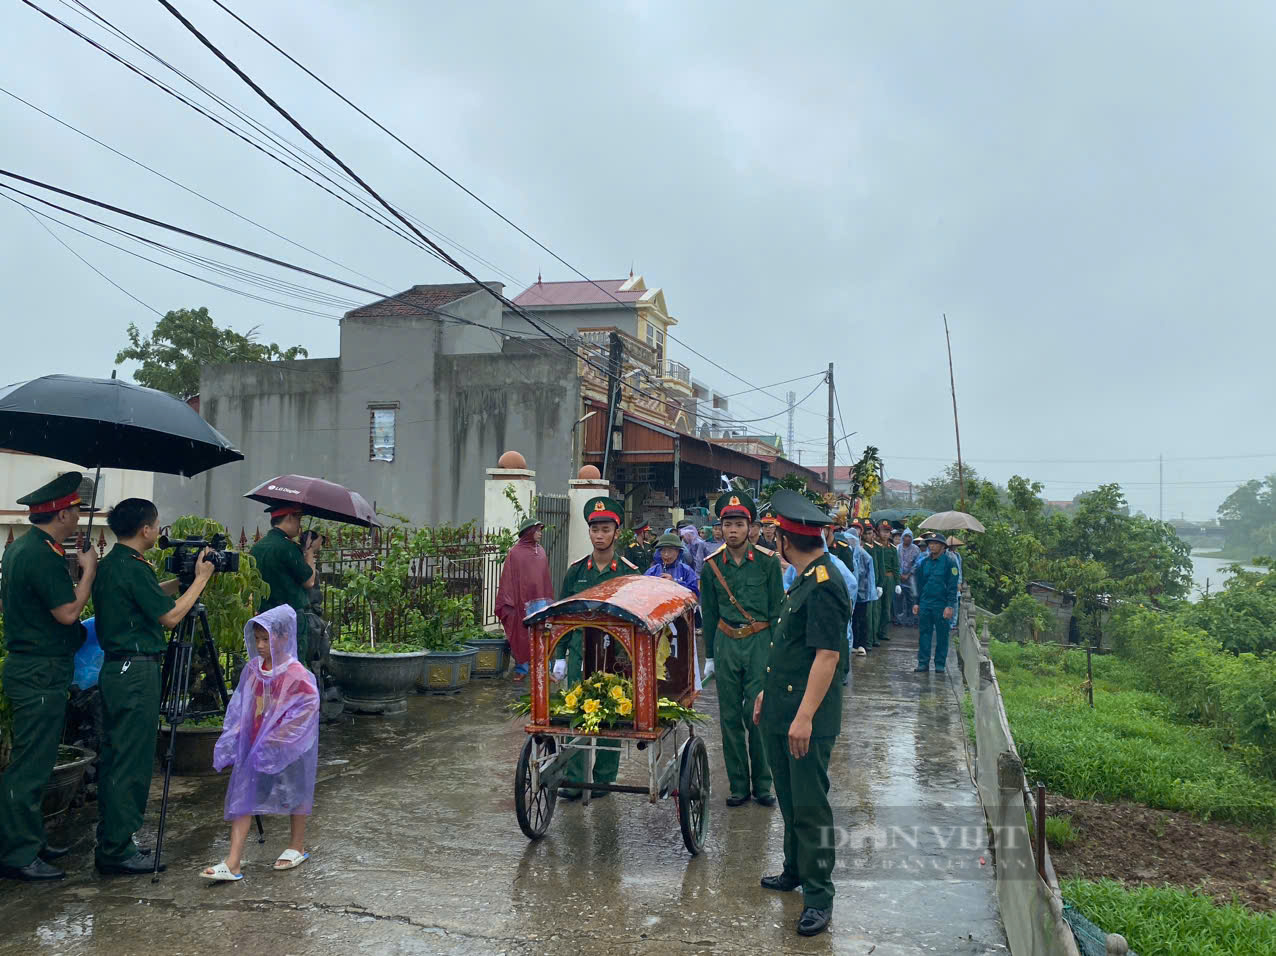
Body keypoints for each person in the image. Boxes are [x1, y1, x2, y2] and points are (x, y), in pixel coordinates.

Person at [91, 498, 216, 876]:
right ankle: (116, 849)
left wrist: (182, 579)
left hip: (119, 671)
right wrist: (202, 580)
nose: (159, 531)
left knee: (118, 757)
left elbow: (147, 595)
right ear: (145, 529)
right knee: (131, 760)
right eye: (157, 524)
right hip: (135, 674)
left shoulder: (116, 564)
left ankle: (114, 840)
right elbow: (172, 617)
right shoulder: (131, 568)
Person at [753, 488, 850, 938]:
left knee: (810, 805)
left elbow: (827, 656)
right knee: (790, 800)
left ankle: (818, 897)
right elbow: (788, 649)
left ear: (784, 541)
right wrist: (767, 696)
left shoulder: (826, 585)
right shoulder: (805, 578)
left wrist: (805, 716)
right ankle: (794, 870)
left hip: (804, 716)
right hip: (781, 708)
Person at [0, 474, 97, 881]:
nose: (78, 517)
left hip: (39, 668)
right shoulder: (39, 554)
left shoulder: (32, 548)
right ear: (62, 512)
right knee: (30, 766)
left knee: (37, 761)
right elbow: (67, 613)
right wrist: (89, 571)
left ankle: (30, 840)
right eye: (76, 510)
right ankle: (18, 854)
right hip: (38, 671)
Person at [201, 606, 319, 880]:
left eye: (267, 639)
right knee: (243, 795)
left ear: (284, 637)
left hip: (288, 747)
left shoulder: (296, 673)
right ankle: (233, 861)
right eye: (257, 639)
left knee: (295, 790)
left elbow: (308, 707)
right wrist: (235, 734)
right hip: (255, 745)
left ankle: (296, 845)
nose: (261, 646)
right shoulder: (254, 669)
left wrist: (283, 734)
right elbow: (241, 703)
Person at [700, 492, 783, 808]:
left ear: (751, 527)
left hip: (759, 642)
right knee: (730, 716)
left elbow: (777, 609)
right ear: (719, 528)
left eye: (739, 524)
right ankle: (738, 785)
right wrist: (709, 656)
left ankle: (763, 784)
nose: (733, 530)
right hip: (725, 644)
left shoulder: (767, 562)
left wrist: (776, 654)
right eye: (727, 524)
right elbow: (708, 613)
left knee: (758, 714)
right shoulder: (711, 567)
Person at [554, 496, 639, 800]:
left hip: (615, 656)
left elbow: (637, 617)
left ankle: (604, 779)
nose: (600, 535)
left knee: (611, 713)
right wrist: (560, 656)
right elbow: (562, 616)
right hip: (580, 653)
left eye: (606, 529)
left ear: (617, 532)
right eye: (595, 530)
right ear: (589, 533)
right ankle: (575, 780)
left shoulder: (629, 572)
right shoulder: (576, 572)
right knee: (577, 712)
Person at [251, 505, 321, 668]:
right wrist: (310, 552)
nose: (299, 525)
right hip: (289, 618)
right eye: (298, 519)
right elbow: (309, 581)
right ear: (289, 517)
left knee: (269, 664)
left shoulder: (258, 547)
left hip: (264, 617)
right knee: (292, 665)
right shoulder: (287, 547)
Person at [494, 518, 554, 681]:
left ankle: (546, 668)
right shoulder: (515, 552)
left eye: (541, 530)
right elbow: (508, 578)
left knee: (543, 633)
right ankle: (522, 668)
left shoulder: (541, 551)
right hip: (521, 602)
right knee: (522, 635)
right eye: (538, 530)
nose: (540, 533)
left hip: (541, 601)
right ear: (529, 531)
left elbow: (544, 577)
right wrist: (510, 601)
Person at [912, 534, 960, 673]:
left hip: (941, 603)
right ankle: (923, 663)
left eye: (935, 543)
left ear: (943, 546)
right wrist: (916, 602)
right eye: (930, 543)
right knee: (924, 633)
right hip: (926, 602)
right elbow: (919, 583)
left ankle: (939, 664)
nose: (931, 546)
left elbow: (952, 586)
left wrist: (950, 605)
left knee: (942, 635)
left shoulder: (950, 563)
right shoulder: (924, 562)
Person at [845, 527, 874, 656]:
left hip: (862, 593)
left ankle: (862, 644)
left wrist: (871, 591)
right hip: (850, 592)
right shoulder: (845, 552)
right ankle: (853, 644)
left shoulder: (863, 554)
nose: (850, 541)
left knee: (861, 619)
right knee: (852, 619)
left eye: (852, 539)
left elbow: (870, 575)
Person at [644, 531, 699, 596]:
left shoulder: (686, 571)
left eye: (670, 551)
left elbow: (694, 594)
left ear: (678, 552)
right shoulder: (652, 571)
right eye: (663, 550)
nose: (666, 554)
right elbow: (644, 592)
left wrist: (675, 583)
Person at [876, 521, 899, 643]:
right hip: (878, 578)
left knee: (887, 606)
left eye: (887, 532)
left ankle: (884, 631)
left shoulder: (893, 549)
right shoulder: (875, 546)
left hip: (889, 579)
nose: (885, 534)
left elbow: (896, 566)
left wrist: (898, 582)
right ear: (878, 532)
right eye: (883, 531)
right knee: (877, 607)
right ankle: (875, 632)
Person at [898, 529, 921, 626]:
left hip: (911, 576)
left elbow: (917, 563)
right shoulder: (898, 548)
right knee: (899, 597)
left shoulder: (916, 549)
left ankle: (912, 619)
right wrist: (900, 574)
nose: (907, 538)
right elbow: (895, 562)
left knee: (911, 597)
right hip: (899, 575)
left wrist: (909, 574)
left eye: (909, 536)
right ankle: (899, 619)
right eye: (905, 536)